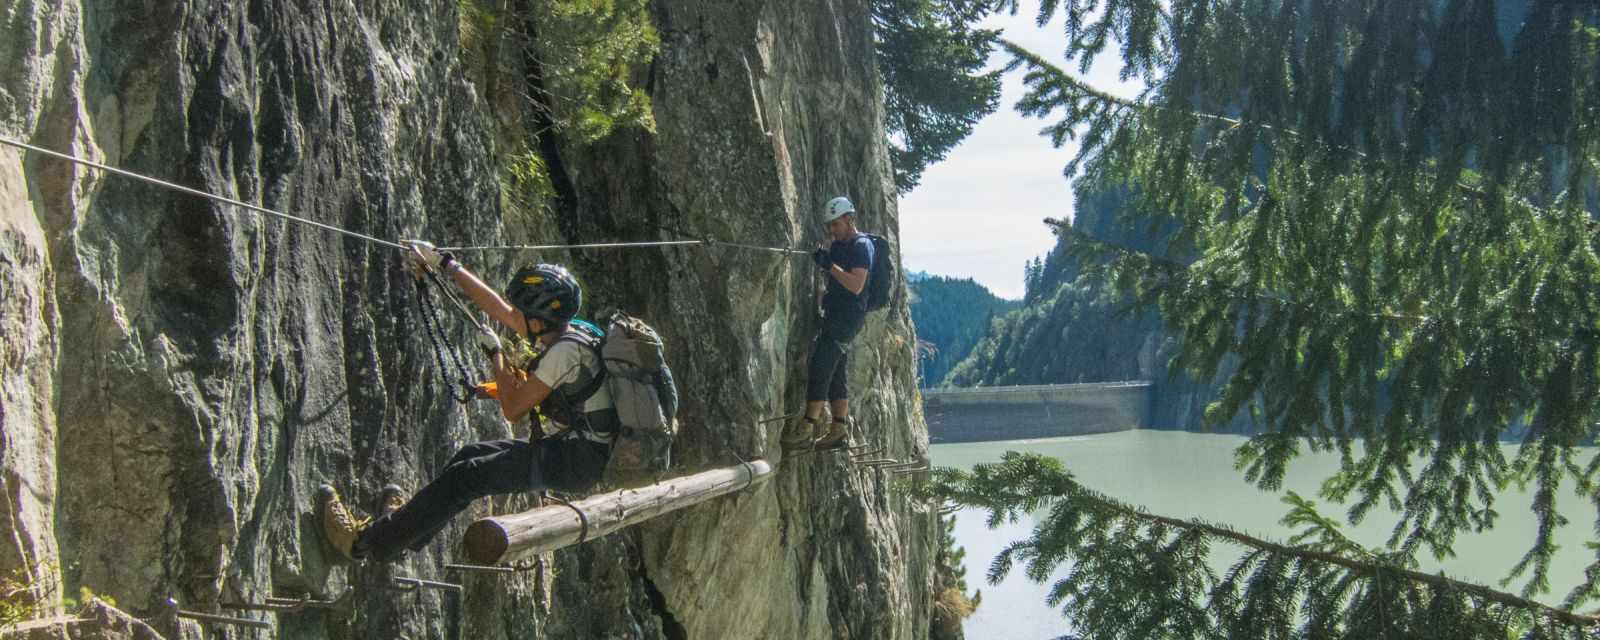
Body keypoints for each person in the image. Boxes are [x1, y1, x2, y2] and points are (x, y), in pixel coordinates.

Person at [318, 244, 617, 562]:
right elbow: (498, 308)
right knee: (470, 456)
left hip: (575, 461)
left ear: (539, 320)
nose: (515, 316)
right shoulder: (572, 332)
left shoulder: (564, 354)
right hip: (574, 449)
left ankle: (363, 544)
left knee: (468, 477)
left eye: (523, 314)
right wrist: (447, 264)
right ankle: (401, 538)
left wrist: (496, 355)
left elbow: (514, 409)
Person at [783, 196, 874, 452]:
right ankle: (839, 428)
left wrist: (829, 265)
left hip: (847, 318)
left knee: (821, 365)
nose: (832, 230)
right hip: (836, 314)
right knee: (836, 371)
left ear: (849, 219)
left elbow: (856, 285)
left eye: (836, 224)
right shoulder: (841, 244)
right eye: (830, 226)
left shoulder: (861, 246)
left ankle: (807, 426)